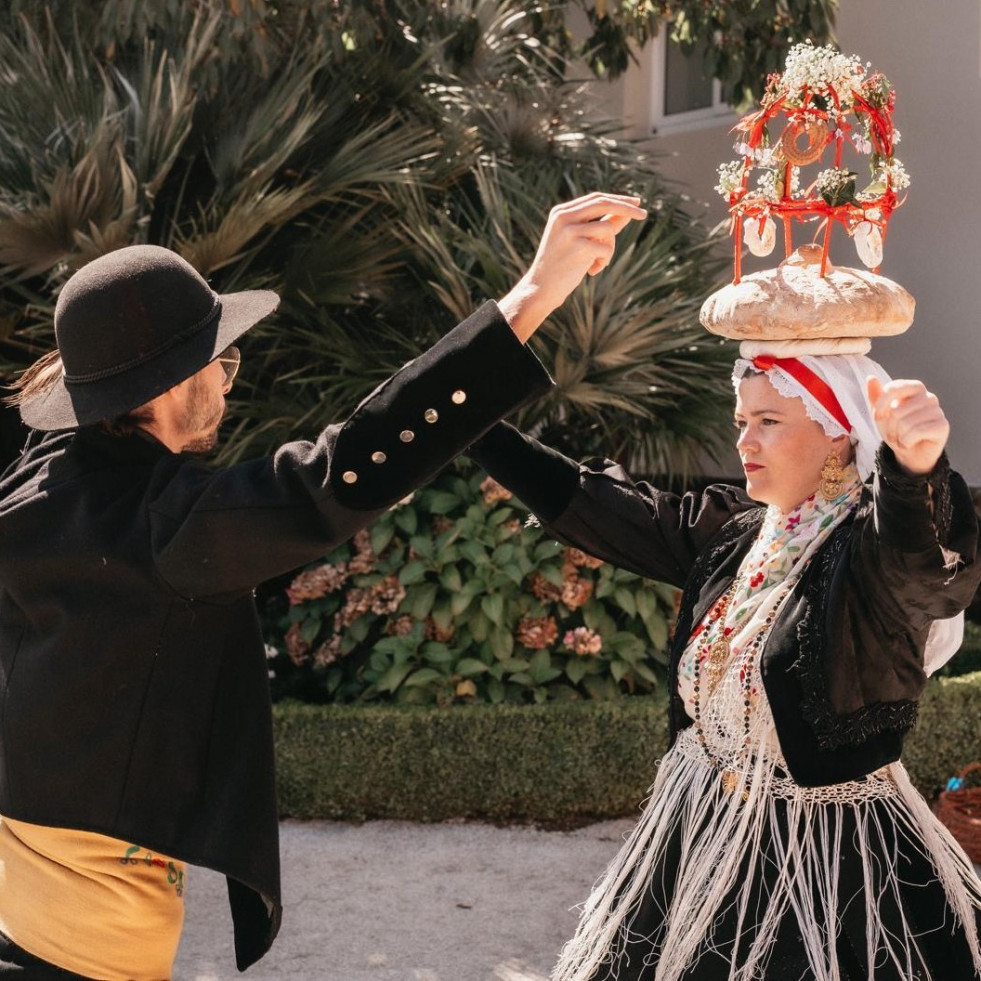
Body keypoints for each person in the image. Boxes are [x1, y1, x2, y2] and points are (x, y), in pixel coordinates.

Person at [0, 191, 647, 980]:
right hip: (88, 944)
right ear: (167, 382)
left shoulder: (38, 487)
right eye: (219, 360)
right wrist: (531, 296)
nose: (228, 383)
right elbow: (351, 466)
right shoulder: (163, 527)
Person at [467, 351, 981, 979]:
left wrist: (915, 468)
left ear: (840, 432)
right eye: (741, 420)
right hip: (695, 832)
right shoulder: (740, 532)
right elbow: (603, 508)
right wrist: (468, 422)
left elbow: (920, 573)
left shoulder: (868, 560)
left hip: (824, 862)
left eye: (769, 421)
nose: (744, 441)